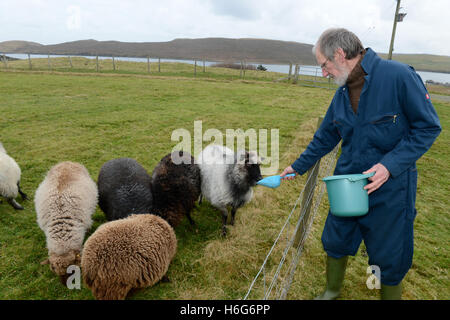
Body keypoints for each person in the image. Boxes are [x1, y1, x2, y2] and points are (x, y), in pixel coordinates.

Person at [280, 28, 441, 300]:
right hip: (347, 185)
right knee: (335, 240)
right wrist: (297, 166)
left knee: (388, 255)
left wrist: (389, 165)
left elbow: (428, 127)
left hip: (391, 188)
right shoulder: (342, 93)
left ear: (340, 55)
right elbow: (325, 137)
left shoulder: (398, 77)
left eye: (324, 65)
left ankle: (385, 292)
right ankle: (332, 291)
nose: (324, 73)